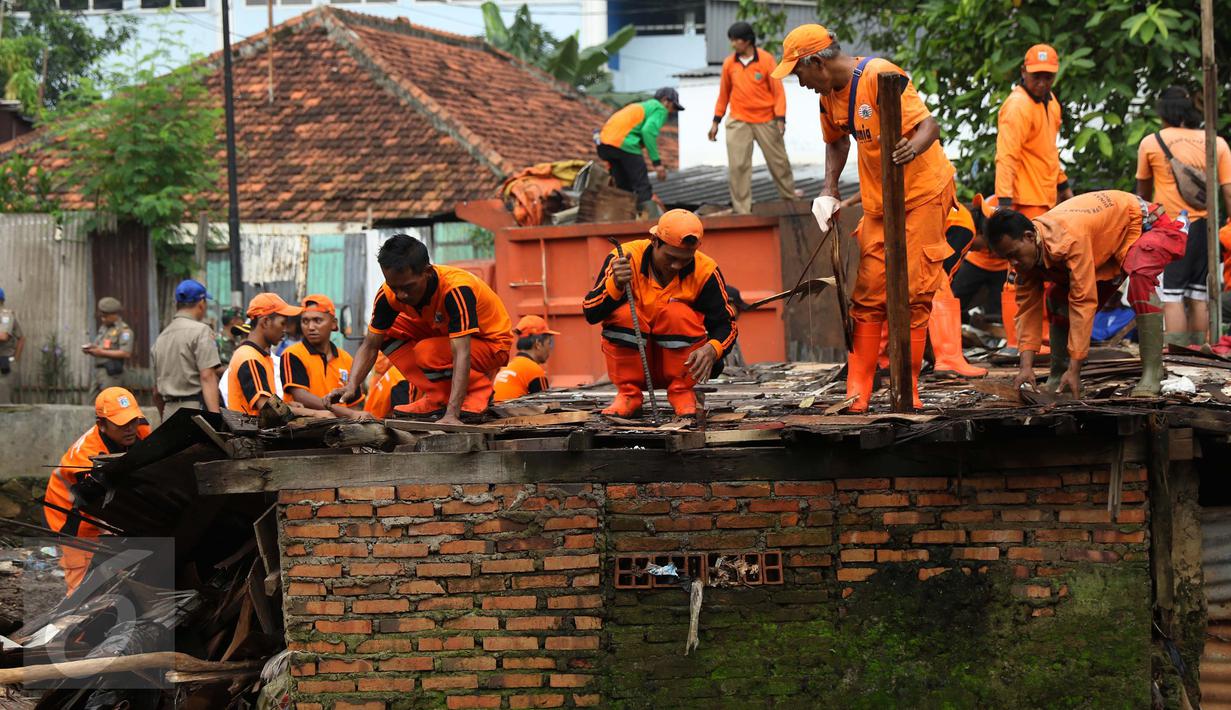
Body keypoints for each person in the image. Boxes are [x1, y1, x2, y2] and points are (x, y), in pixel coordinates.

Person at [773, 24, 956, 411]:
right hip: (880, 200)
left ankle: (907, 387)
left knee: (914, 292)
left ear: (817, 62)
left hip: (923, 194)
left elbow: (929, 125)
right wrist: (829, 188)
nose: (798, 82)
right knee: (869, 292)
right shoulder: (827, 97)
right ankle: (858, 388)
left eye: (798, 72)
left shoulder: (879, 76)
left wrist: (912, 148)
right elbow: (837, 140)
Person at [984, 190, 1188, 397]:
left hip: (1143, 224)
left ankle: (1152, 373)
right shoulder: (1023, 256)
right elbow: (1027, 311)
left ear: (1029, 237)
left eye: (1014, 255)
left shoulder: (1069, 239)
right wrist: (1025, 368)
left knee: (1140, 278)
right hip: (1105, 241)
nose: (1013, 263)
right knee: (1057, 300)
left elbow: (1083, 301)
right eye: (1007, 258)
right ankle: (1060, 375)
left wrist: (1076, 368)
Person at [326, 235, 513, 425]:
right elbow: (370, 344)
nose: (401, 295)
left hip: (492, 345)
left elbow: (461, 351)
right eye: (394, 287)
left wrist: (452, 415)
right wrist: (352, 385)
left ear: (428, 272)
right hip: (443, 338)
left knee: (427, 351)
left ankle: (478, 392)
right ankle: (436, 396)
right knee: (385, 332)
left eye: (408, 287)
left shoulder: (456, 289)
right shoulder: (388, 296)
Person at [583, 209, 737, 417]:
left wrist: (712, 349)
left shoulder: (705, 271)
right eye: (671, 257)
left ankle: (682, 392)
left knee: (677, 313)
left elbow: (726, 325)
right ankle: (629, 395)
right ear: (654, 241)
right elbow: (591, 312)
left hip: (680, 367)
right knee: (626, 316)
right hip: (634, 361)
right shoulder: (625, 260)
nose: (676, 266)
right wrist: (615, 285)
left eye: (685, 260)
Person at [1135, 86, 1231, 346]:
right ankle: (1200, 350)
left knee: (1173, 296)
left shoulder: (1151, 142)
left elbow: (1142, 194)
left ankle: (1177, 351)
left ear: (1162, 111)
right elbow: (1229, 191)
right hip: (1206, 229)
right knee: (1199, 294)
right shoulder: (1216, 142)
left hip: (1172, 226)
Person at [994, 43, 1074, 350]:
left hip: (1045, 202)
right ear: (1024, 72)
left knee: (1042, 272)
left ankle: (1041, 338)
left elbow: (1048, 152)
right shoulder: (1017, 106)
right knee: (1018, 271)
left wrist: (1064, 186)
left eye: (1048, 76)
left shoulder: (1051, 103)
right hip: (1022, 201)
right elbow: (1007, 156)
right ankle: (1019, 340)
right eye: (1037, 75)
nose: (1042, 82)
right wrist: (1004, 205)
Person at [45, 387, 151, 596]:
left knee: (119, 574)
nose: (130, 428)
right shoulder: (85, 458)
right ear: (101, 424)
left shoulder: (141, 430)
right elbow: (98, 503)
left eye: (133, 420)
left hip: (104, 509)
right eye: (121, 424)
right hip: (71, 518)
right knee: (82, 589)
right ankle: (78, 625)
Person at [710, 21, 795, 214]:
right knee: (738, 165)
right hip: (738, 120)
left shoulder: (766, 60)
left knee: (779, 162)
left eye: (736, 40)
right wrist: (715, 121)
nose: (733, 44)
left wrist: (780, 118)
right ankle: (742, 209)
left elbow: (778, 92)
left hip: (766, 119)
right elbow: (723, 95)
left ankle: (791, 198)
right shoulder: (729, 64)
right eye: (731, 40)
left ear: (747, 41)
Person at [226, 293, 328, 418]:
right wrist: (315, 413)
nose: (285, 330)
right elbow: (267, 407)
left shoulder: (257, 355)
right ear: (266, 322)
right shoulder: (250, 357)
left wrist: (287, 405)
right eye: (282, 323)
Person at [280, 294, 370, 420]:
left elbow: (355, 404)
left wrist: (355, 416)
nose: (310, 327)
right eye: (305, 321)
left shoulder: (346, 359)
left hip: (341, 431)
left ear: (333, 324)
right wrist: (349, 414)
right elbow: (300, 396)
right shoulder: (293, 354)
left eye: (317, 320)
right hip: (304, 428)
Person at [597, 87, 682, 216]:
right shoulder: (659, 108)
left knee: (623, 186)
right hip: (625, 143)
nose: (672, 112)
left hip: (604, 144)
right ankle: (649, 220)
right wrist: (657, 164)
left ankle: (623, 217)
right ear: (666, 101)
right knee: (642, 185)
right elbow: (647, 132)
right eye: (673, 107)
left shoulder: (641, 106)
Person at [151, 279, 222, 421]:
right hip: (196, 412)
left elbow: (156, 392)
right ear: (201, 303)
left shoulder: (161, 338)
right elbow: (207, 376)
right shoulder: (201, 331)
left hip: (169, 412)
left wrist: (165, 418)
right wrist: (216, 419)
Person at [493, 315, 559, 402]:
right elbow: (546, 405)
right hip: (511, 415)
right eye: (549, 342)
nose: (550, 348)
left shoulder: (509, 365)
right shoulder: (534, 370)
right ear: (538, 344)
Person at [85, 297, 134, 392]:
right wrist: (92, 348)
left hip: (111, 374)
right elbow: (101, 346)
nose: (103, 319)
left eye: (105, 316)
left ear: (114, 314)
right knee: (91, 403)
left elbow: (126, 353)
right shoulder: (104, 329)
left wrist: (100, 352)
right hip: (98, 372)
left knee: (108, 403)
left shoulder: (125, 331)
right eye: (102, 316)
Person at [363, 352, 411, 419]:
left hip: (371, 416)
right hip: (375, 421)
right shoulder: (401, 380)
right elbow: (403, 418)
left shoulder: (397, 372)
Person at [0, 287, 24, 404]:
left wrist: (15, 359)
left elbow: (3, 336)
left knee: (3, 403)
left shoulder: (6, 316)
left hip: (4, 363)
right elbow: (22, 338)